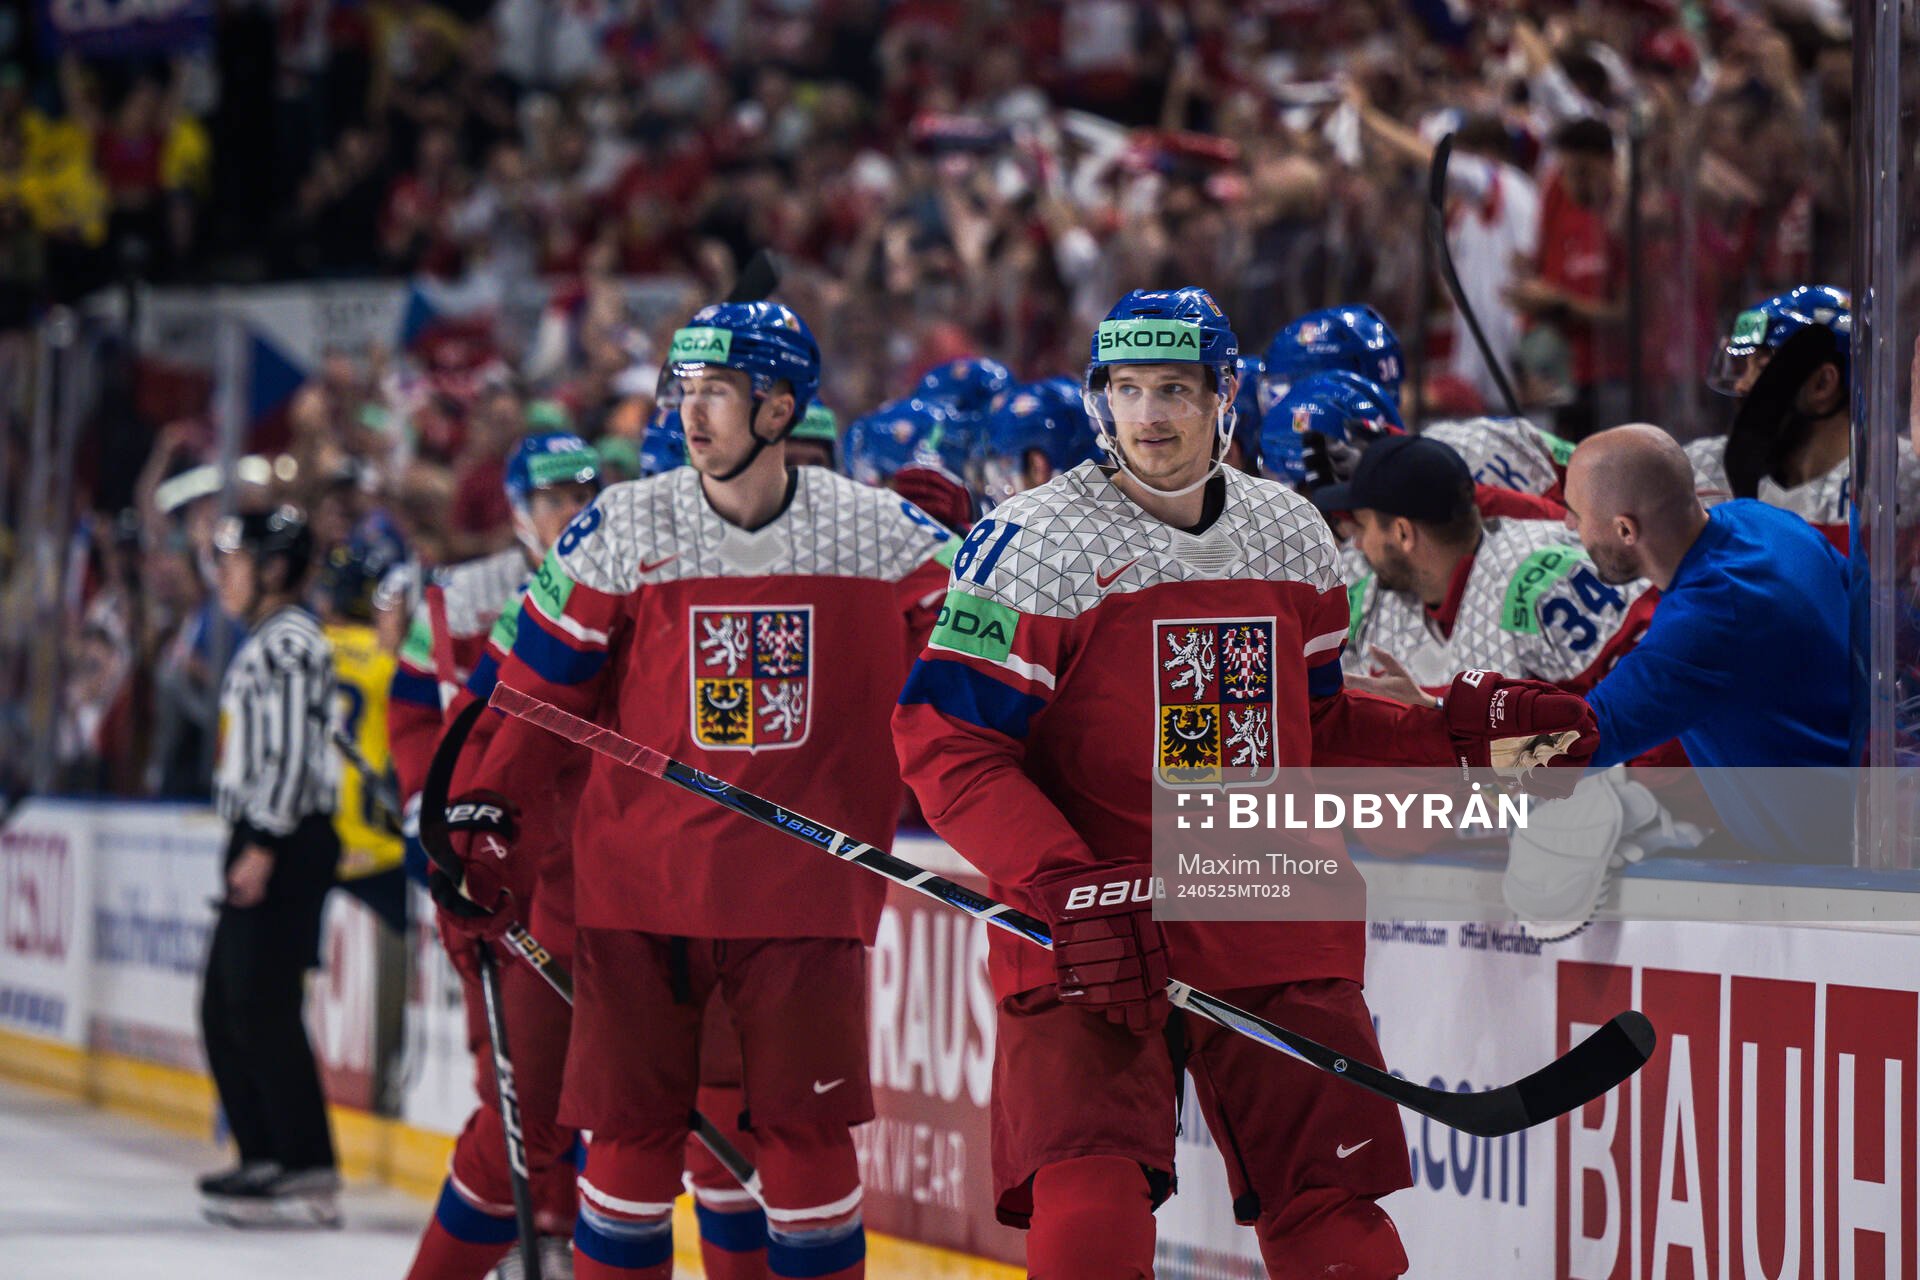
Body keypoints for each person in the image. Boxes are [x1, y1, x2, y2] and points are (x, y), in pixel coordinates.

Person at [892, 287, 1599, 1278]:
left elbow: (1309, 730)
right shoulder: (1033, 542)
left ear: (1224, 396)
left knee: (1328, 1198)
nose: (1149, 414)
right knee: (1090, 1184)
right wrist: (1061, 880)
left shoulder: (1293, 534)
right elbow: (950, 741)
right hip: (1099, 915)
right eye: (1127, 388)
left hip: (1266, 903)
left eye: (1174, 388)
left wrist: (1448, 730)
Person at [437, 301, 955, 1280]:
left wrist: (982, 565)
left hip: (805, 904)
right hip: (641, 901)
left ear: (779, 406)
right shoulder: (622, 529)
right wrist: (481, 822)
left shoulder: (888, 537)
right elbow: (530, 700)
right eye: (684, 389)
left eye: (717, 390)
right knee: (630, 1148)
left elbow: (979, 692)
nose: (691, 411)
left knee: (805, 1145)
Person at [395, 431, 601, 1280]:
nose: (568, 512)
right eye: (552, 499)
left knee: (585, 1071)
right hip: (487, 858)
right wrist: (427, 811)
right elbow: (417, 713)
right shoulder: (462, 598)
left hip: (577, 862)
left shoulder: (611, 574)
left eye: (581, 494)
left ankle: (556, 1221)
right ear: (518, 509)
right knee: (509, 1065)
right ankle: (529, 1220)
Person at [197, 505, 343, 1227]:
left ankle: (302, 1159)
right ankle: (269, 1153)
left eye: (234, 562)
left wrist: (260, 843)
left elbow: (286, 754)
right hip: (271, 832)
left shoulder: (286, 642)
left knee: (257, 1002)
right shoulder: (269, 639)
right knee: (230, 1004)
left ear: (274, 569)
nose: (221, 577)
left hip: (282, 834)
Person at [1315, 434, 1654, 694]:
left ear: (1403, 533)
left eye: (1364, 525)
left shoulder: (1540, 583)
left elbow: (1663, 691)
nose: (1357, 543)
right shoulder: (1387, 604)